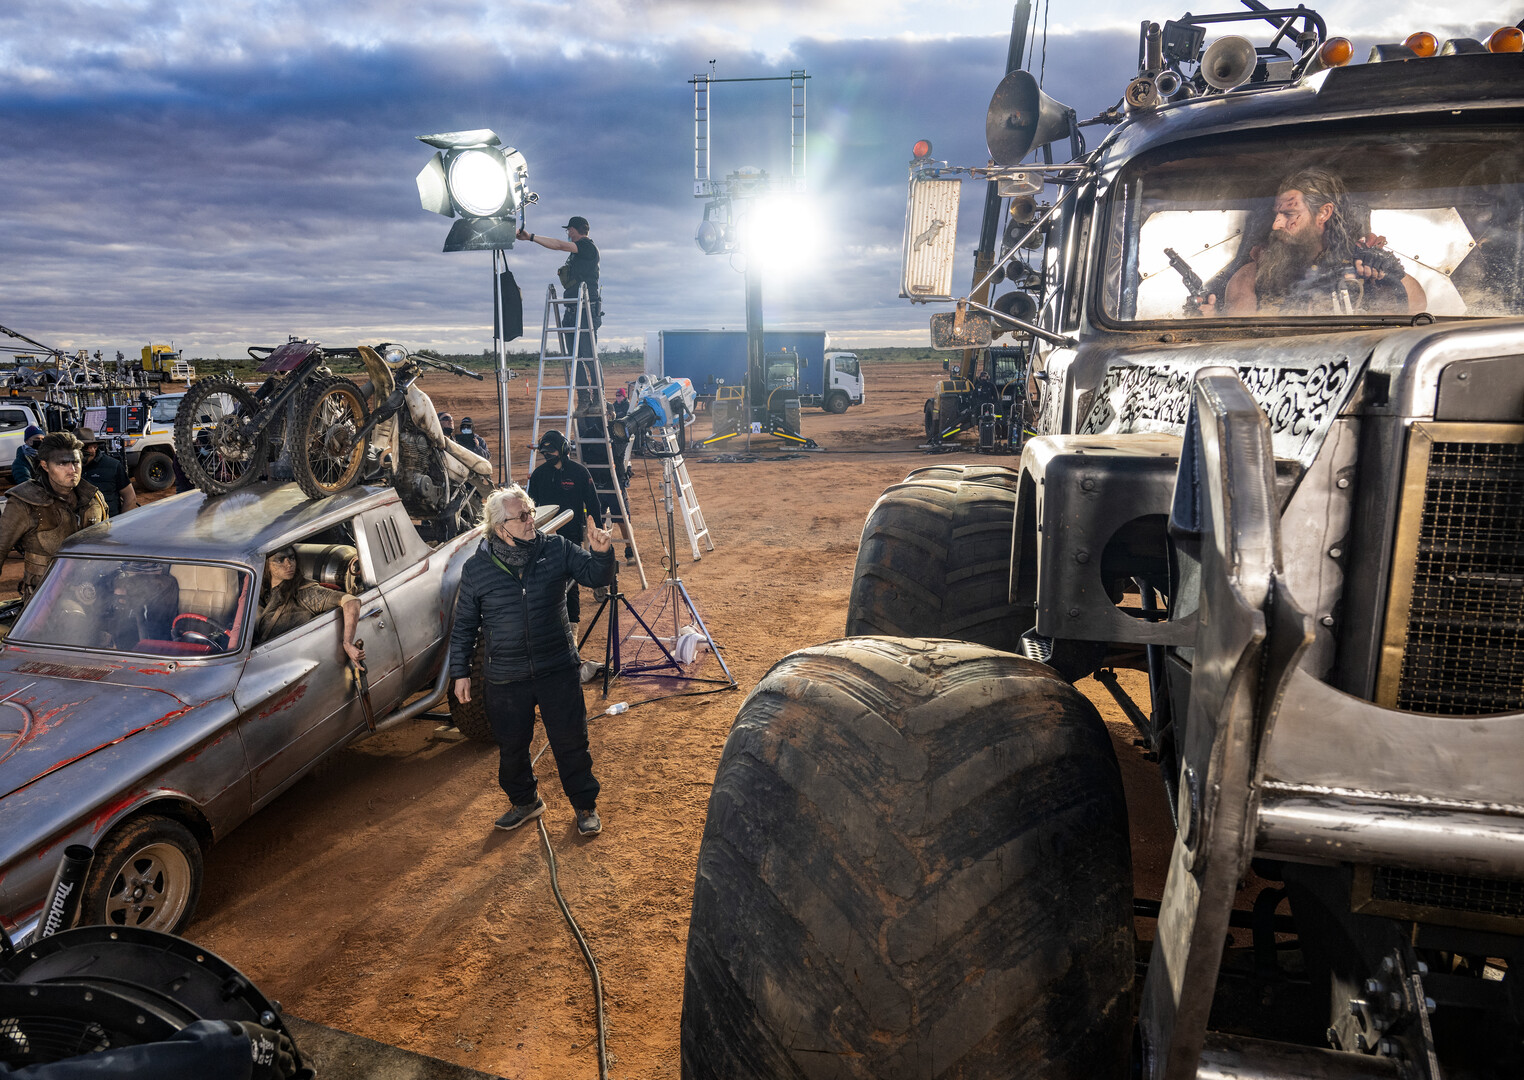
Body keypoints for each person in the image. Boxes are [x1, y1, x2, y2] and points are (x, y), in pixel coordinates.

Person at [449, 485, 614, 837]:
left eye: (530, 512)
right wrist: (460, 672)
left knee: (571, 741)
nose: (531, 521)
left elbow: (595, 576)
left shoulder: (555, 549)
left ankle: (585, 805)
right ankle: (525, 801)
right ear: (499, 528)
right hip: (506, 678)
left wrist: (601, 554)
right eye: (522, 516)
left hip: (557, 669)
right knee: (511, 747)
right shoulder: (477, 569)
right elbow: (464, 625)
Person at [1200, 167, 1426, 317]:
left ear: (1324, 213)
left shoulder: (1363, 266)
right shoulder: (1254, 276)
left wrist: (1387, 275)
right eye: (1276, 214)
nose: (1276, 224)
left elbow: (1415, 312)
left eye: (1289, 214)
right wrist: (1209, 321)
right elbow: (1240, 342)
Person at [0, 431, 108, 599]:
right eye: (63, 464)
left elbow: (106, 546)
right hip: (45, 600)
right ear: (45, 465)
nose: (72, 470)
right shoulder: (24, 502)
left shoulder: (94, 498)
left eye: (76, 462)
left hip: (91, 590)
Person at [527, 429, 601, 631]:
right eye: (544, 453)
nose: (548, 456)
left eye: (551, 452)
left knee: (571, 581)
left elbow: (593, 505)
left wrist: (597, 531)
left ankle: (572, 627)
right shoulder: (539, 475)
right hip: (545, 537)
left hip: (571, 535)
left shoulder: (579, 472)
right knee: (547, 580)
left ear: (564, 449)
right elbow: (531, 508)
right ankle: (550, 624)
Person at [254, 544, 365, 666]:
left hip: (290, 662)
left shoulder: (305, 592)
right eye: (280, 560)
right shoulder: (261, 591)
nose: (289, 564)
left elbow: (351, 601)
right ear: (267, 566)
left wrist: (347, 643)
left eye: (292, 558)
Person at [515, 216, 601, 360]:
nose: (568, 234)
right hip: (573, 309)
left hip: (586, 310)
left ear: (573, 230)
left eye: (569, 230)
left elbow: (558, 245)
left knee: (588, 355)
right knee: (574, 357)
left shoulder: (587, 246)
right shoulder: (578, 252)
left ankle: (597, 383)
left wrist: (531, 237)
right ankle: (579, 383)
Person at [78, 428, 138, 517]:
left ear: (95, 447)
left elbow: (130, 498)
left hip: (108, 524)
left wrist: (120, 523)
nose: (80, 452)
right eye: (77, 448)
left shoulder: (113, 466)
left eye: (84, 447)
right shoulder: (67, 468)